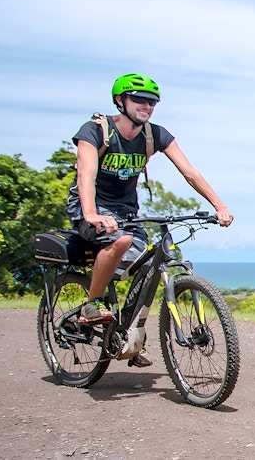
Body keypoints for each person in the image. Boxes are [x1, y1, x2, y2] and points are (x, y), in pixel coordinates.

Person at [66, 73, 233, 333]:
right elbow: (85, 174)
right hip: (88, 205)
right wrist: (91, 214)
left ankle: (126, 332)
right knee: (120, 241)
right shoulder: (96, 130)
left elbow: (189, 172)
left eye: (153, 102)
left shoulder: (154, 135)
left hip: (125, 212)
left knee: (148, 264)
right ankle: (93, 303)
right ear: (120, 100)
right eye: (140, 100)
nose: (147, 106)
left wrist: (219, 205)